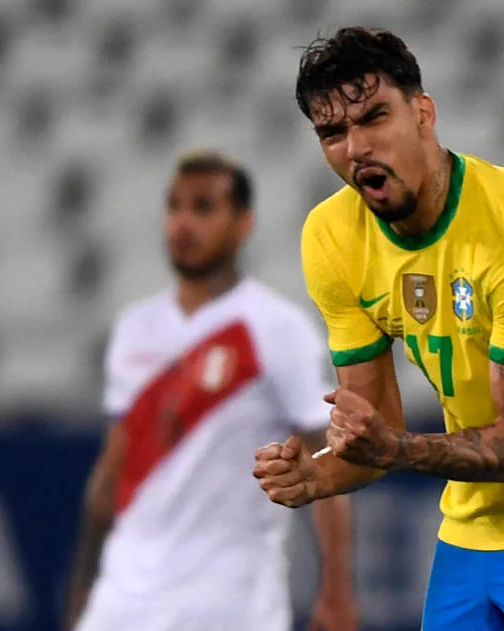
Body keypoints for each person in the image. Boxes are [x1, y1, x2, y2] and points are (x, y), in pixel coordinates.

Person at [252, 27, 504, 631]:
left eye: (373, 117)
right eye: (333, 133)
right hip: (473, 517)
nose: (356, 147)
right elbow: (375, 433)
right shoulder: (332, 238)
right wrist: (319, 472)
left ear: (424, 113)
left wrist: (394, 448)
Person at [66, 151, 358, 631]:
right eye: (174, 206)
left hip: (229, 599)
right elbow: (113, 470)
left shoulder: (275, 329)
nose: (183, 223)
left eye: (203, 207)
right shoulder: (135, 329)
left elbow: (326, 468)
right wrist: (81, 593)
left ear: (244, 223)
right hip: (125, 597)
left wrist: (338, 593)